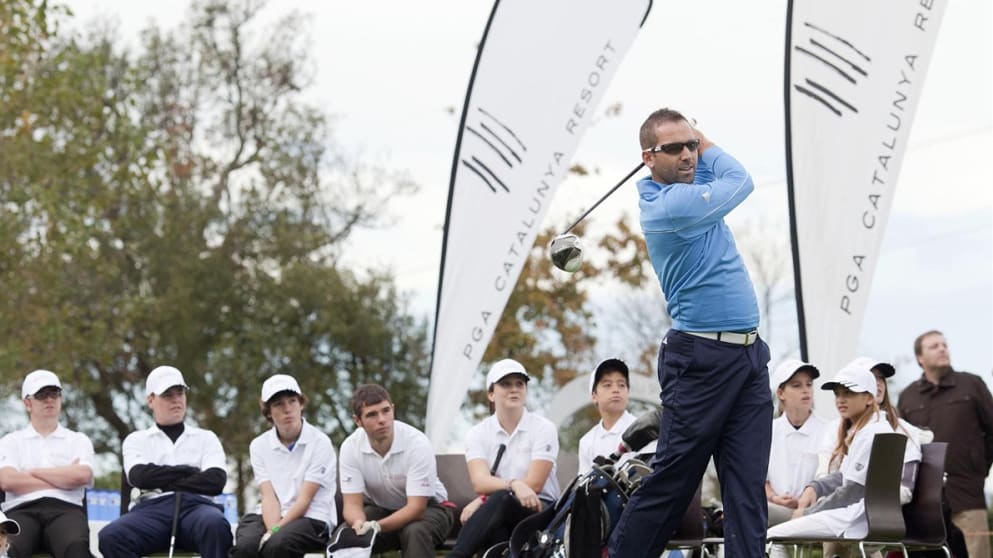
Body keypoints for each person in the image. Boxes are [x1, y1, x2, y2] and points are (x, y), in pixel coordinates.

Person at [607, 108, 771, 558]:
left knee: (747, 488)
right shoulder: (670, 208)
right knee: (673, 484)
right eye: (674, 147)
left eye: (691, 145)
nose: (687, 154)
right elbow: (741, 179)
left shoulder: (690, 189)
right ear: (647, 158)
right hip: (700, 361)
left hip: (749, 358)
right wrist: (702, 136)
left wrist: (693, 139)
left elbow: (726, 177)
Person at [767, 363, 917, 557]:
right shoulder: (868, 429)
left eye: (849, 393)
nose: (841, 400)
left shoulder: (871, 433)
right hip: (864, 517)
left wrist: (807, 513)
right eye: (837, 394)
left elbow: (851, 492)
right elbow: (844, 477)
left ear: (870, 398)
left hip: (855, 518)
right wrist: (816, 487)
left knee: (773, 536)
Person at [98, 365, 233, 558]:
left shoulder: (206, 438)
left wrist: (161, 482)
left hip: (196, 509)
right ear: (151, 400)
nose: (176, 400)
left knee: (216, 525)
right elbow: (139, 476)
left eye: (180, 393)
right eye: (168, 395)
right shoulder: (136, 439)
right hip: (151, 512)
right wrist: (188, 471)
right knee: (111, 537)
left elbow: (215, 480)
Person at [449, 359, 560, 558]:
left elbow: (534, 484)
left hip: (540, 509)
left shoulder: (544, 428)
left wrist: (486, 499)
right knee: (495, 531)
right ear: (491, 394)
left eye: (520, 384)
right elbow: (479, 482)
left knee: (500, 500)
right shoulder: (477, 433)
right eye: (505, 384)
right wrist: (511, 485)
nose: (514, 389)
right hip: (499, 507)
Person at [898, 330, 993, 558]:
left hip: (967, 493)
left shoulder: (972, 385)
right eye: (934, 346)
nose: (942, 349)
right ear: (920, 358)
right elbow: (905, 448)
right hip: (926, 502)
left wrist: (978, 468)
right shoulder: (908, 397)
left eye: (944, 344)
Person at [338, 384, 452, 558]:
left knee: (414, 532)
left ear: (393, 409)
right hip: (381, 510)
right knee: (345, 536)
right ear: (357, 421)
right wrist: (359, 523)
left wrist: (377, 527)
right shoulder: (349, 447)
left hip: (431, 509)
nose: (382, 419)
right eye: (372, 414)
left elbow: (416, 508)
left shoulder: (417, 443)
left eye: (386, 411)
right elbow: (352, 505)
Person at [231, 374, 337, 558]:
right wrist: (273, 528)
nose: (287, 409)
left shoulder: (321, 442)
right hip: (270, 514)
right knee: (245, 547)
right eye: (279, 404)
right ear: (268, 412)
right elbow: (268, 495)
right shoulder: (259, 445)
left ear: (301, 404)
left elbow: (304, 501)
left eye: (292, 401)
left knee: (278, 545)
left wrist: (275, 531)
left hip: (312, 517)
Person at [0, 370, 94, 558]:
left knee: (76, 547)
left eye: (54, 393)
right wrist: (64, 476)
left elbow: (82, 476)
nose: (49, 399)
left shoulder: (79, 439)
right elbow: (8, 481)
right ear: (28, 403)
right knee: (8, 550)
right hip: (20, 511)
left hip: (66, 510)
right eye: (42, 395)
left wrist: (32, 472)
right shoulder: (10, 441)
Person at [766, 359, 826, 527]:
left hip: (814, 512)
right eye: (796, 385)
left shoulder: (829, 430)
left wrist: (804, 501)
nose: (806, 390)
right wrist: (774, 498)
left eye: (809, 384)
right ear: (781, 393)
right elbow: (759, 480)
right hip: (777, 509)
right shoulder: (768, 431)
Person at [577, 358, 652, 475]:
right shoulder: (586, 442)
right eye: (607, 385)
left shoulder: (645, 430)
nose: (616, 390)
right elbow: (583, 485)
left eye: (621, 385)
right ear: (594, 396)